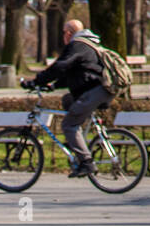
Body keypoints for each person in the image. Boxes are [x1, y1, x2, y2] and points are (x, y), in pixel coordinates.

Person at [26, 19, 111, 178]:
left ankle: (86, 163)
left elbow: (60, 66)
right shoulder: (87, 44)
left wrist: (36, 81)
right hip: (99, 90)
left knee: (68, 124)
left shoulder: (77, 45)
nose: (63, 36)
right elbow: (76, 72)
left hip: (96, 91)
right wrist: (53, 86)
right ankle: (75, 143)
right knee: (68, 100)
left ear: (68, 33)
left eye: (64, 33)